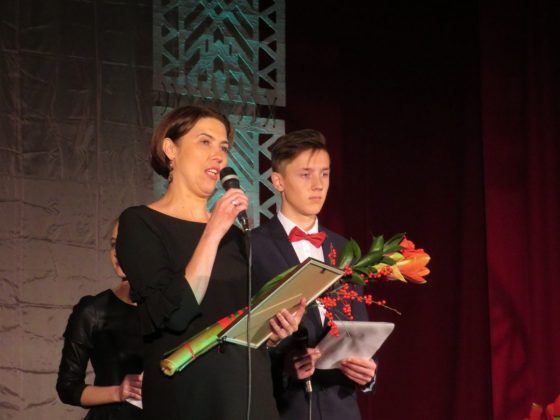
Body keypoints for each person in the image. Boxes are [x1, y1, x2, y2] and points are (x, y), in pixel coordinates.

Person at [115, 105, 304, 420]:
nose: (219, 156)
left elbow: (238, 322)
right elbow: (176, 313)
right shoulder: (140, 223)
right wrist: (212, 231)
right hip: (189, 397)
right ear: (170, 149)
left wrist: (272, 332)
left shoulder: (236, 236)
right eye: (205, 142)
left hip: (248, 396)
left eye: (224, 147)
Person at [251, 129, 378, 420]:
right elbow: (240, 344)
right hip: (284, 409)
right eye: (305, 174)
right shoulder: (252, 247)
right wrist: (283, 367)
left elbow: (358, 328)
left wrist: (368, 374)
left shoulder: (344, 248)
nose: (318, 185)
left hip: (342, 409)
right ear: (278, 181)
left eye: (325, 174)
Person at [56, 221, 143, 419]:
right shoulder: (94, 310)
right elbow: (67, 387)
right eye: (113, 244)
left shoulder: (169, 312)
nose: (116, 253)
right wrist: (118, 392)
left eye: (125, 243)